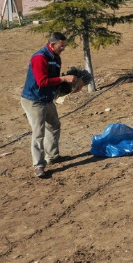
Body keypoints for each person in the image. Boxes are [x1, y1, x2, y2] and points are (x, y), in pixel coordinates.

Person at [20, 32, 83, 178]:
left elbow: (53, 79)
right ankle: (39, 165)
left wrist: (65, 88)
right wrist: (63, 79)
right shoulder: (39, 58)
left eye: (64, 46)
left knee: (54, 125)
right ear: (52, 44)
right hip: (34, 100)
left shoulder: (55, 58)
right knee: (38, 132)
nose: (63, 49)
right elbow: (42, 82)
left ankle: (53, 157)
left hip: (47, 99)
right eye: (61, 46)